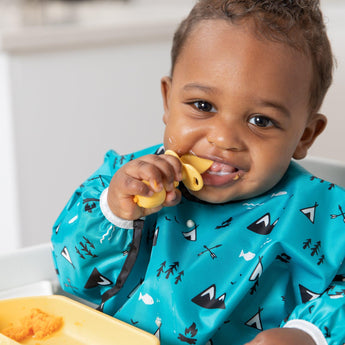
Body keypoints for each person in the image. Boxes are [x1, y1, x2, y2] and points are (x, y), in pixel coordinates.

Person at [51, 1, 345, 344]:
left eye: (260, 121)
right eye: (203, 106)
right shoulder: (129, 184)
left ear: (305, 134)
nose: (222, 139)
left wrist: (310, 334)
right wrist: (115, 214)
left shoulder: (326, 217)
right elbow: (74, 279)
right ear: (168, 99)